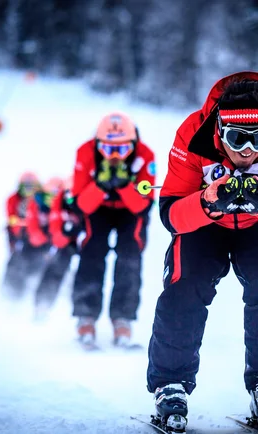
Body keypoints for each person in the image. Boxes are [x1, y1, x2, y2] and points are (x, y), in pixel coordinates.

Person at [146, 72, 258, 433]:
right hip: (204, 225)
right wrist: (206, 201)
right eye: (236, 139)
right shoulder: (193, 132)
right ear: (219, 129)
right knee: (184, 288)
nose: (248, 151)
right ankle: (170, 383)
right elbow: (171, 215)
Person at [70, 111, 156, 348]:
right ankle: (85, 316)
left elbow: (144, 204)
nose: (115, 156)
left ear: (133, 144)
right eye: (108, 150)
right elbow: (80, 204)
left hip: (131, 209)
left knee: (130, 256)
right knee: (91, 252)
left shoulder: (145, 156)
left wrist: (125, 185)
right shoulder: (85, 153)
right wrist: (100, 185)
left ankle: (123, 319)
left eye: (122, 149)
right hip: (97, 206)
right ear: (98, 144)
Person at [33, 178, 84, 321]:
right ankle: (41, 307)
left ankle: (82, 313)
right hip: (64, 247)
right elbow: (55, 234)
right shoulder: (55, 206)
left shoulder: (82, 206)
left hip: (84, 247)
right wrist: (67, 234)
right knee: (54, 269)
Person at [2, 171, 42, 298]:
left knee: (35, 268)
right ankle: (9, 296)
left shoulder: (41, 199)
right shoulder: (14, 199)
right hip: (20, 238)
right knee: (16, 267)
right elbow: (11, 219)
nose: (29, 189)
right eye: (26, 185)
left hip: (37, 241)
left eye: (32, 186)